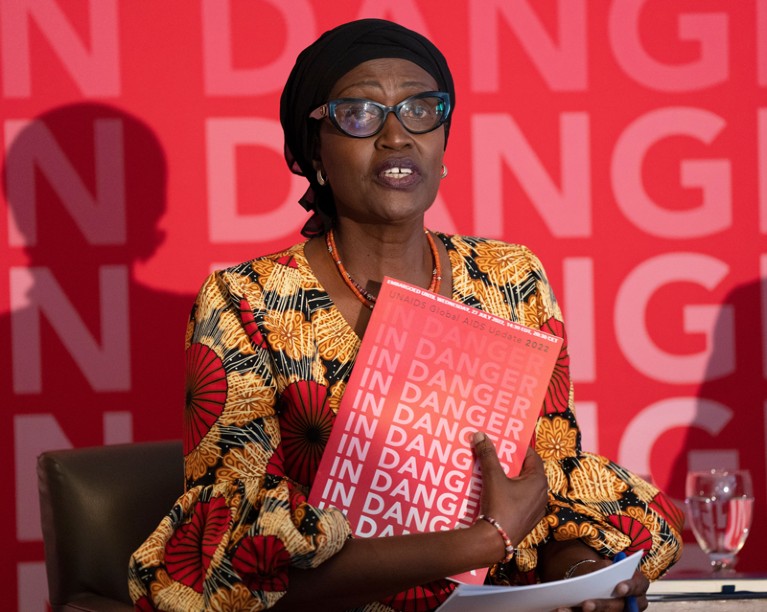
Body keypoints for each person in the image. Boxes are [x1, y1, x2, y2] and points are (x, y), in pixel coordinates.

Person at [129, 18, 684, 612]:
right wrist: (480, 541)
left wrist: (587, 576)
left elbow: (545, 488)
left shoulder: (508, 277)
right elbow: (243, 569)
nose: (396, 136)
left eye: (421, 108)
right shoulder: (247, 299)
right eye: (360, 114)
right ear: (312, 149)